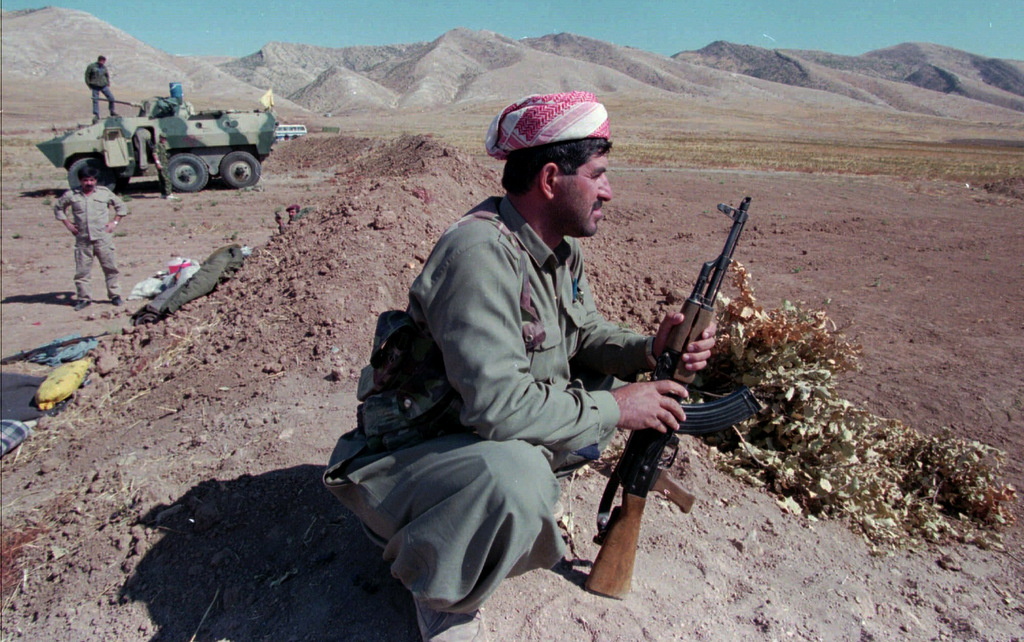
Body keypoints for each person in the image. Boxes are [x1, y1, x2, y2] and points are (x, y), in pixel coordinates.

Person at [324, 92, 717, 641]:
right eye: (598, 175)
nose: (609, 190)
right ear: (552, 179)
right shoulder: (480, 256)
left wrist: (650, 350)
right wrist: (616, 408)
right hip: (404, 467)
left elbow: (584, 335)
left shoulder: (556, 247)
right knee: (519, 478)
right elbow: (498, 407)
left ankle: (493, 516)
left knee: (581, 400)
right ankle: (442, 595)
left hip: (463, 441)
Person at [53, 166, 128, 311]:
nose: (89, 183)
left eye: (92, 180)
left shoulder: (104, 193)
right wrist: (68, 224)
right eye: (85, 180)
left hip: (102, 238)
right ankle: (83, 298)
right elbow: (58, 208)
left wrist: (115, 222)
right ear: (80, 181)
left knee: (110, 268)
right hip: (83, 239)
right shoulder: (72, 195)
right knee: (82, 271)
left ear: (96, 181)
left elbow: (121, 207)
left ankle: (115, 296)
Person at [84, 55, 117, 122]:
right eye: (102, 61)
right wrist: (89, 84)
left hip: (103, 85)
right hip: (95, 85)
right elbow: (87, 76)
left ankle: (112, 111)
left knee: (111, 98)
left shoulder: (104, 67)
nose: (102, 63)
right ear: (99, 60)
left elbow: (106, 75)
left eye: (104, 61)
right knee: (95, 100)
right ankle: (96, 114)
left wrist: (108, 82)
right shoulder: (92, 66)